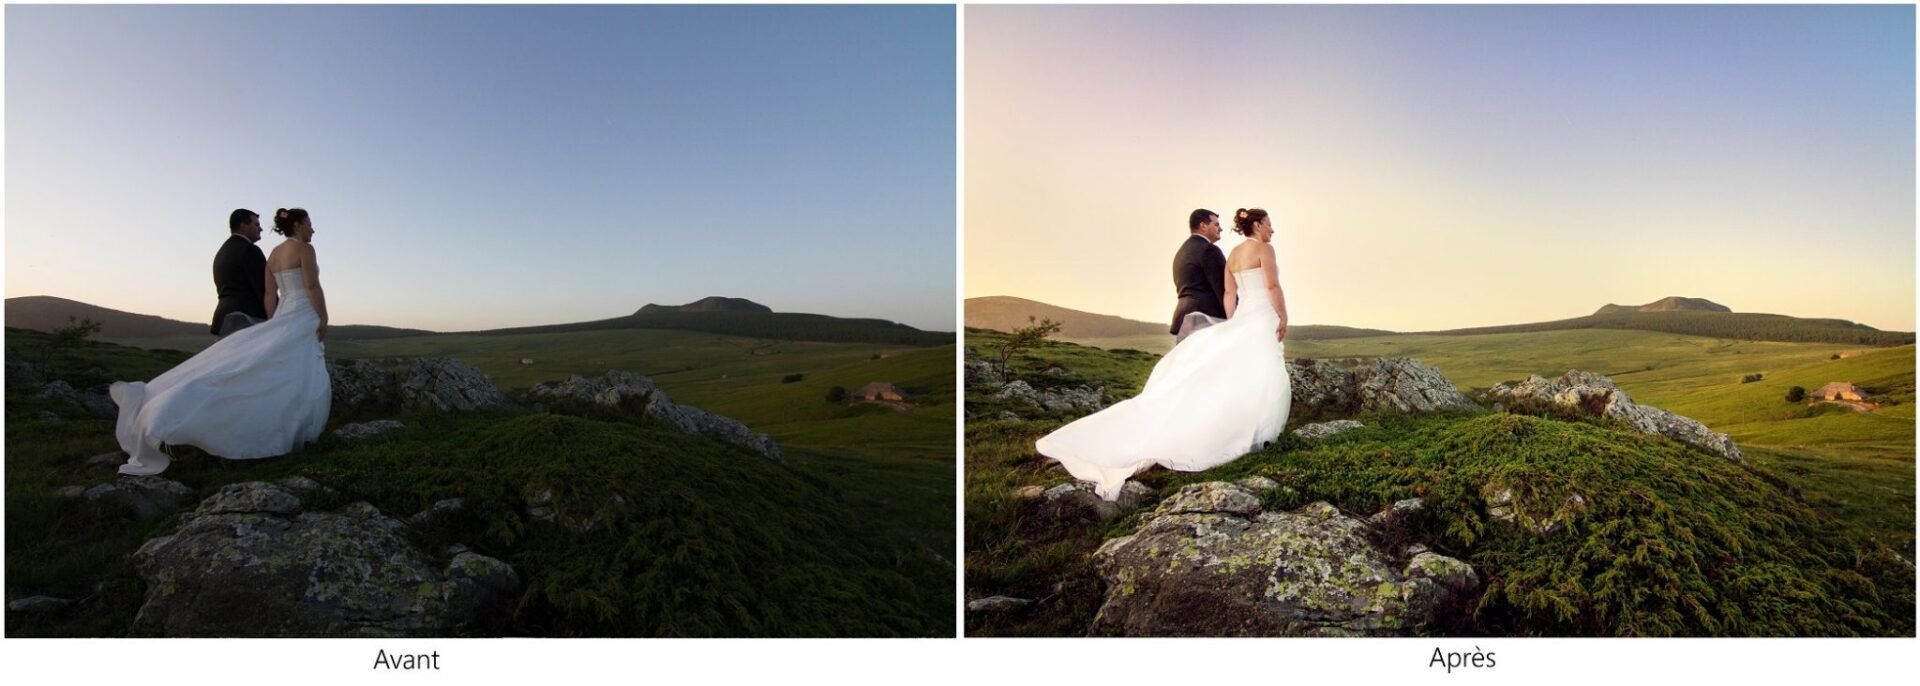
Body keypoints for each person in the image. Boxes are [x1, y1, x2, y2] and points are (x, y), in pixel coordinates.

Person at [1036, 207, 1292, 500]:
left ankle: (1227, 421)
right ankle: (1249, 428)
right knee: (1257, 369)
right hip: (1259, 317)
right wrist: (1282, 315)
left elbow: (1229, 294)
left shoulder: (1229, 254)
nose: (1272, 229)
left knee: (1218, 372)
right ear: (1258, 225)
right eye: (1270, 224)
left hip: (1239, 316)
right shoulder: (1263, 249)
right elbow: (1271, 285)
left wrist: (1232, 324)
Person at [111, 207, 332, 475]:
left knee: (256, 365)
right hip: (302, 313)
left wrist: (274, 324)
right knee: (289, 368)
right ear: (297, 225)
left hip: (283, 314)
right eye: (309, 224)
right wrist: (322, 315)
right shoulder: (305, 250)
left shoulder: (272, 255)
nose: (312, 229)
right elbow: (311, 286)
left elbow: (269, 294)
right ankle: (289, 426)